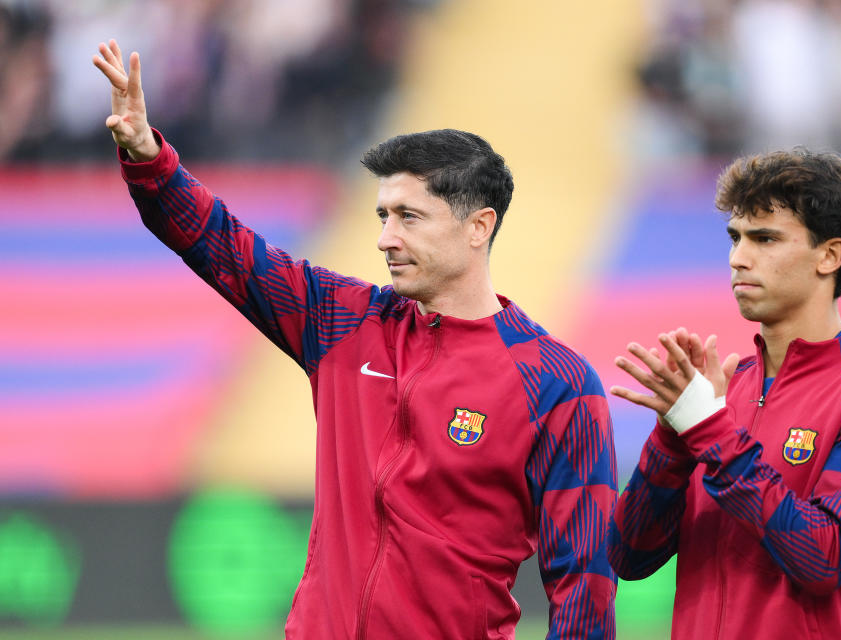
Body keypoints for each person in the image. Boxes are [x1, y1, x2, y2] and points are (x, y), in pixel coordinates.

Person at [93, 40, 618, 639]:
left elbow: (585, 586)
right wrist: (148, 157)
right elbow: (223, 249)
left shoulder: (557, 384)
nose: (385, 239)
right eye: (382, 216)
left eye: (409, 217)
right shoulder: (343, 320)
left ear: (479, 227)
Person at [605, 148, 841, 639]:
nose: (739, 258)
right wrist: (674, 438)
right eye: (735, 238)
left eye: (765, 239)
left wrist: (709, 431)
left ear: (830, 254)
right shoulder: (722, 392)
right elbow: (628, 555)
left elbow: (823, 557)